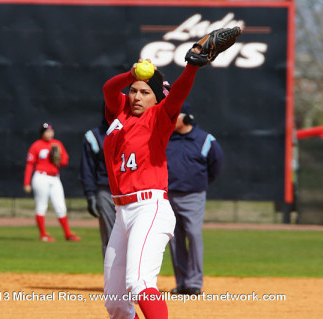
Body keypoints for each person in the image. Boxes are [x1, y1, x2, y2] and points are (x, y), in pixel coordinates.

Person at [101, 27, 241, 319]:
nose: (137, 96)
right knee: (115, 302)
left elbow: (177, 92)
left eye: (145, 92)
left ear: (157, 99)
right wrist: (132, 75)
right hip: (121, 213)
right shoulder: (119, 115)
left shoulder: (160, 117)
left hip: (148, 208)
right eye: (135, 91)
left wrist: (191, 66)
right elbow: (109, 89)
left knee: (139, 283)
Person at [166, 101, 224, 296]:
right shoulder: (166, 138)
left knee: (193, 234)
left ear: (187, 118)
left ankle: (194, 283)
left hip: (193, 195)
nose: (171, 120)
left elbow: (215, 165)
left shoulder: (206, 140)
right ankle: (182, 283)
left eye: (176, 116)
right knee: (174, 239)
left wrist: (200, 183)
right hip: (168, 195)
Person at [23, 122, 81, 242]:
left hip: (55, 178)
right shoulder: (36, 146)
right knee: (41, 206)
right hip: (41, 177)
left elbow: (65, 162)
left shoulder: (57, 144)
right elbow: (30, 165)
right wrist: (26, 183)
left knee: (60, 206)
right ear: (42, 133)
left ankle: (68, 234)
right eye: (46, 131)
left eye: (51, 131)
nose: (49, 133)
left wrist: (58, 159)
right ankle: (43, 234)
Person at [78, 108, 116, 257]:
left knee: (133, 237)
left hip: (130, 190)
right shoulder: (93, 136)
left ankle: (132, 279)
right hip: (105, 190)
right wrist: (90, 195)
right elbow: (87, 168)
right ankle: (112, 279)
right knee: (110, 237)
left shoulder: (131, 131)